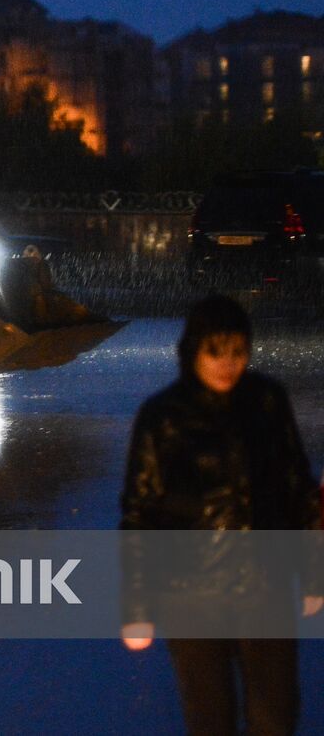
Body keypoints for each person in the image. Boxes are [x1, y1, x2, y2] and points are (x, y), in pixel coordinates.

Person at [120, 294, 321, 735]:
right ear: (195, 350)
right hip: (191, 597)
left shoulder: (267, 401)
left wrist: (313, 577)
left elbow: (298, 489)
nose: (228, 363)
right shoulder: (163, 417)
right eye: (216, 351)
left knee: (276, 718)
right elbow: (140, 517)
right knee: (210, 720)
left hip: (264, 588)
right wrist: (137, 606)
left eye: (237, 351)